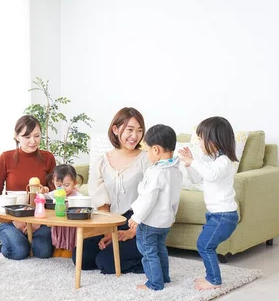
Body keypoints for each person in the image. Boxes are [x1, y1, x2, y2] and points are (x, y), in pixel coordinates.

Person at [72, 107, 149, 274]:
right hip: (108, 218)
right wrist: (108, 230)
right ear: (115, 129)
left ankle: (151, 258)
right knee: (81, 258)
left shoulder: (146, 159)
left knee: (106, 262)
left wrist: (132, 231)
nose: (134, 136)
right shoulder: (101, 161)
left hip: (137, 220)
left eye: (139, 131)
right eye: (130, 130)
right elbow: (99, 197)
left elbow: (152, 198)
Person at [178, 116, 239, 290]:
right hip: (215, 215)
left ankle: (213, 280)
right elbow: (197, 178)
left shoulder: (224, 162)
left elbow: (211, 175)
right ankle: (211, 276)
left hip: (224, 216)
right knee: (205, 245)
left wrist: (194, 161)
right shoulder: (212, 162)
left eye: (200, 139)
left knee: (204, 245)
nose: (198, 143)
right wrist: (189, 165)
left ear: (213, 140)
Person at [0, 115, 56, 259]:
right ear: (16, 136)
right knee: (19, 251)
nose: (33, 141)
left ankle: (26, 241)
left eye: (37, 136)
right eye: (27, 136)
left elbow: (54, 193)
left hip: (39, 220)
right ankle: (7, 244)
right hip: (11, 220)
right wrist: (15, 220)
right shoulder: (5, 158)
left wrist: (37, 221)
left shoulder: (48, 158)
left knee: (44, 252)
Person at [128, 124, 183, 291]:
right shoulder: (176, 171)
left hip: (150, 222)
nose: (146, 154)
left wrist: (137, 217)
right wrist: (172, 216)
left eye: (147, 150)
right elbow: (175, 199)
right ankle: (164, 277)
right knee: (160, 250)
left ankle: (154, 283)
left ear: (156, 150)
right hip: (165, 222)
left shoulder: (155, 173)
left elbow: (148, 199)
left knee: (148, 252)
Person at [46, 164, 82, 258]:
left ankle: (69, 248)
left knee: (70, 235)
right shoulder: (54, 194)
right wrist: (42, 192)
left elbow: (84, 205)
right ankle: (58, 247)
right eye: (59, 185)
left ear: (74, 183)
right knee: (57, 234)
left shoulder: (77, 196)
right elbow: (45, 197)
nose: (62, 188)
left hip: (70, 224)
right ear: (53, 182)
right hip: (58, 222)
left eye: (67, 185)